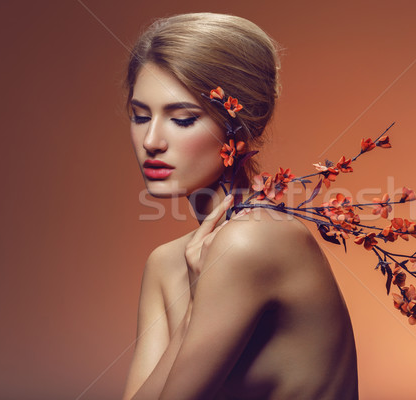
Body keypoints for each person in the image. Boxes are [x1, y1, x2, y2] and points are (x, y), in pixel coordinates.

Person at [121, 12, 359, 400]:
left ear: (245, 126)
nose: (151, 140)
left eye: (182, 119)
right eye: (139, 116)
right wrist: (190, 315)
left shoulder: (254, 242)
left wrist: (193, 307)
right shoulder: (165, 263)